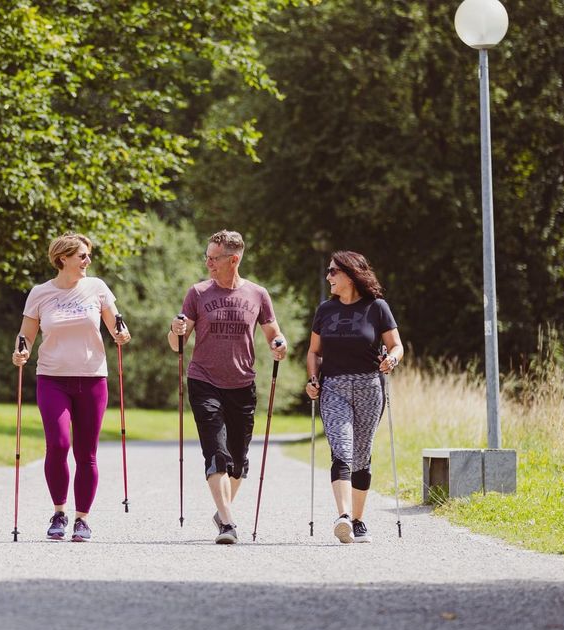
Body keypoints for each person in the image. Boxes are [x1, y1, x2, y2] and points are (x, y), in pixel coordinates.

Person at [168, 230, 287, 544]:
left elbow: (273, 331)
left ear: (234, 259)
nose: (208, 263)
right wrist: (175, 329)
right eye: (206, 257)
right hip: (204, 380)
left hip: (242, 383)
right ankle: (228, 524)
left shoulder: (257, 294)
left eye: (213, 258)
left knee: (238, 461)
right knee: (216, 453)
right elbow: (177, 344)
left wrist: (279, 343)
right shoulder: (197, 293)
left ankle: (222, 511)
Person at [12, 233, 131, 542]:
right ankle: (59, 512)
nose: (87, 260)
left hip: (92, 379)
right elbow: (25, 334)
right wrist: (21, 352)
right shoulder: (40, 293)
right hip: (53, 379)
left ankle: (82, 519)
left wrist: (121, 334)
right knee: (59, 444)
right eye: (82, 255)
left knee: (86, 453)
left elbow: (116, 323)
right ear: (62, 258)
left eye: (87, 255)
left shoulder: (98, 288)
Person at [303, 251, 403, 544]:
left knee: (361, 454)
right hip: (334, 387)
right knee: (342, 449)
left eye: (333, 271)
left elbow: (396, 345)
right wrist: (312, 378)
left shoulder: (377, 308)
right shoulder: (325, 310)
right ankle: (344, 516)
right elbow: (313, 351)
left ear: (351, 274)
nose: (328, 276)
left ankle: (358, 520)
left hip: (370, 387)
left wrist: (392, 361)